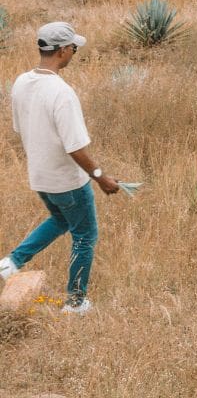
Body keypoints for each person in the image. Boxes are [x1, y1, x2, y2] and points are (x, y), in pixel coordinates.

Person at [0, 22, 119, 314]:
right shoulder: (62, 92)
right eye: (74, 48)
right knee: (85, 236)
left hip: (39, 177)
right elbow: (75, 147)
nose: (74, 53)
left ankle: (10, 263)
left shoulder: (21, 82)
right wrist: (101, 178)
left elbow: (19, 127)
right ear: (63, 50)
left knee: (61, 220)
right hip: (68, 181)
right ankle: (76, 302)